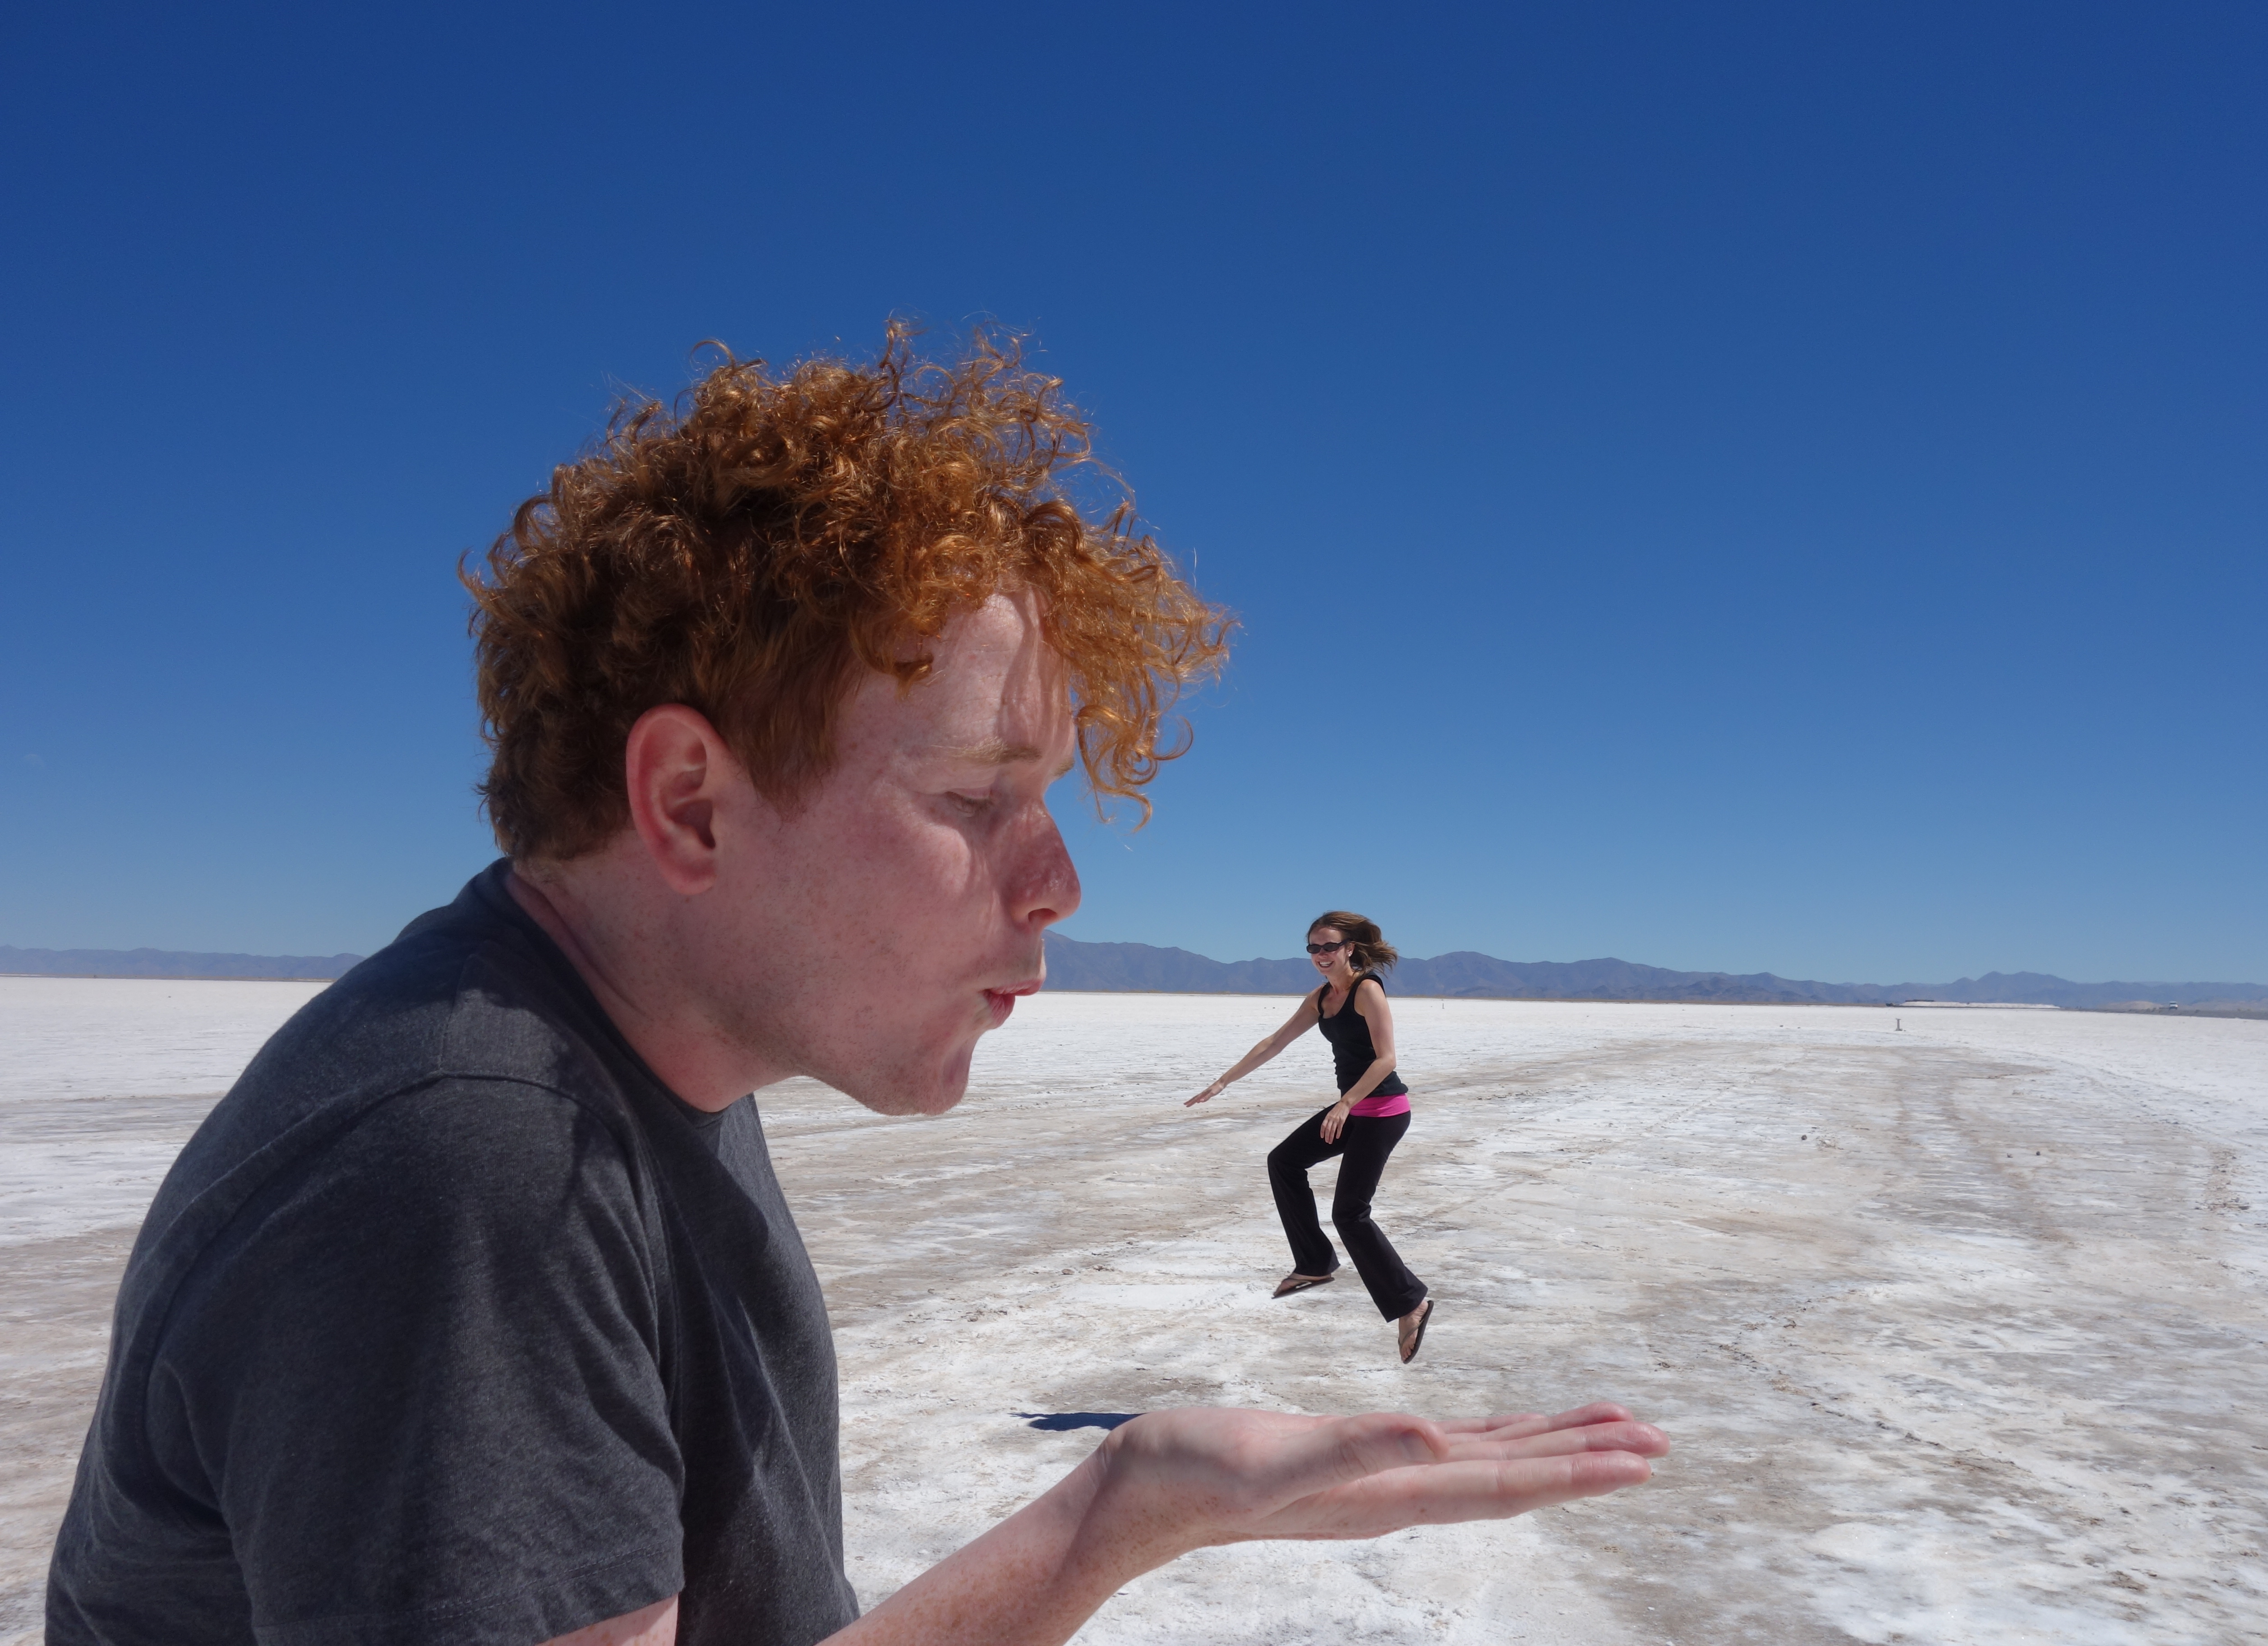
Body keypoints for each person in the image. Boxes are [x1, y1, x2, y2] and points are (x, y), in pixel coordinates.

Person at [46, 330, 1669, 1646]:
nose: (1062, 884)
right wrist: (1098, 1526)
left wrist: (1135, 1502)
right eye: (974, 800)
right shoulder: (472, 1160)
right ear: (689, 802)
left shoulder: (639, 1070)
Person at [1185, 913, 1433, 1361]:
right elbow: (1275, 1043)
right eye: (1314, 949)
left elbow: (1386, 1060)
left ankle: (1410, 1302)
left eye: (1329, 947)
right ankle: (1315, 1264)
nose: (1321, 956)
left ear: (1349, 949)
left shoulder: (1367, 991)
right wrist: (1224, 1082)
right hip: (1353, 1110)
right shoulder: (1322, 999)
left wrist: (1345, 1103)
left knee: (1350, 1214)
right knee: (1284, 1162)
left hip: (1382, 1112)